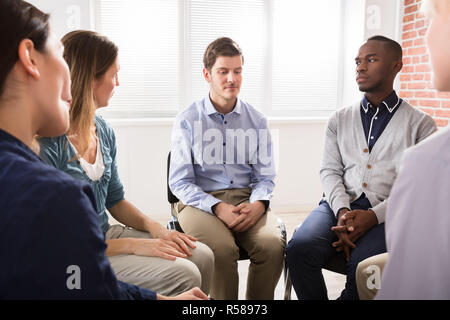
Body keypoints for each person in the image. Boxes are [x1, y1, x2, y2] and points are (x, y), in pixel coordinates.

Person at [0, 0, 207, 300]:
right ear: (30, 58)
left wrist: (154, 229)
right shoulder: (55, 196)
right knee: (187, 272)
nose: (68, 72)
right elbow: (80, 284)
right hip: (99, 245)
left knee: (199, 255)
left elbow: (73, 278)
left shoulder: (101, 132)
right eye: (59, 54)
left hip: (101, 240)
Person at [285, 35, 437, 300]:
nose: (360, 67)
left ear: (396, 66)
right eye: (357, 61)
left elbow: (416, 190)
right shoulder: (339, 119)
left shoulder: (421, 125)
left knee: (364, 269)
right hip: (337, 207)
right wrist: (343, 210)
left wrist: (373, 217)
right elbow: (329, 171)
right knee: (299, 249)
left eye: (371, 59)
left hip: (388, 216)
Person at [169, 37, 285, 300]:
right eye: (223, 71)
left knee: (271, 245)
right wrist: (217, 207)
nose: (231, 78)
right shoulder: (187, 120)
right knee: (220, 250)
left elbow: (265, 177)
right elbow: (179, 182)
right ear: (207, 74)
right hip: (199, 202)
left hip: (247, 199)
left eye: (237, 71)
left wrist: (258, 205)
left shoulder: (257, 120)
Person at [376, 0, 450, 299]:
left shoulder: (431, 162)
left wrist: (371, 215)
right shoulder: (340, 118)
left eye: (432, 19)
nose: (426, 36)